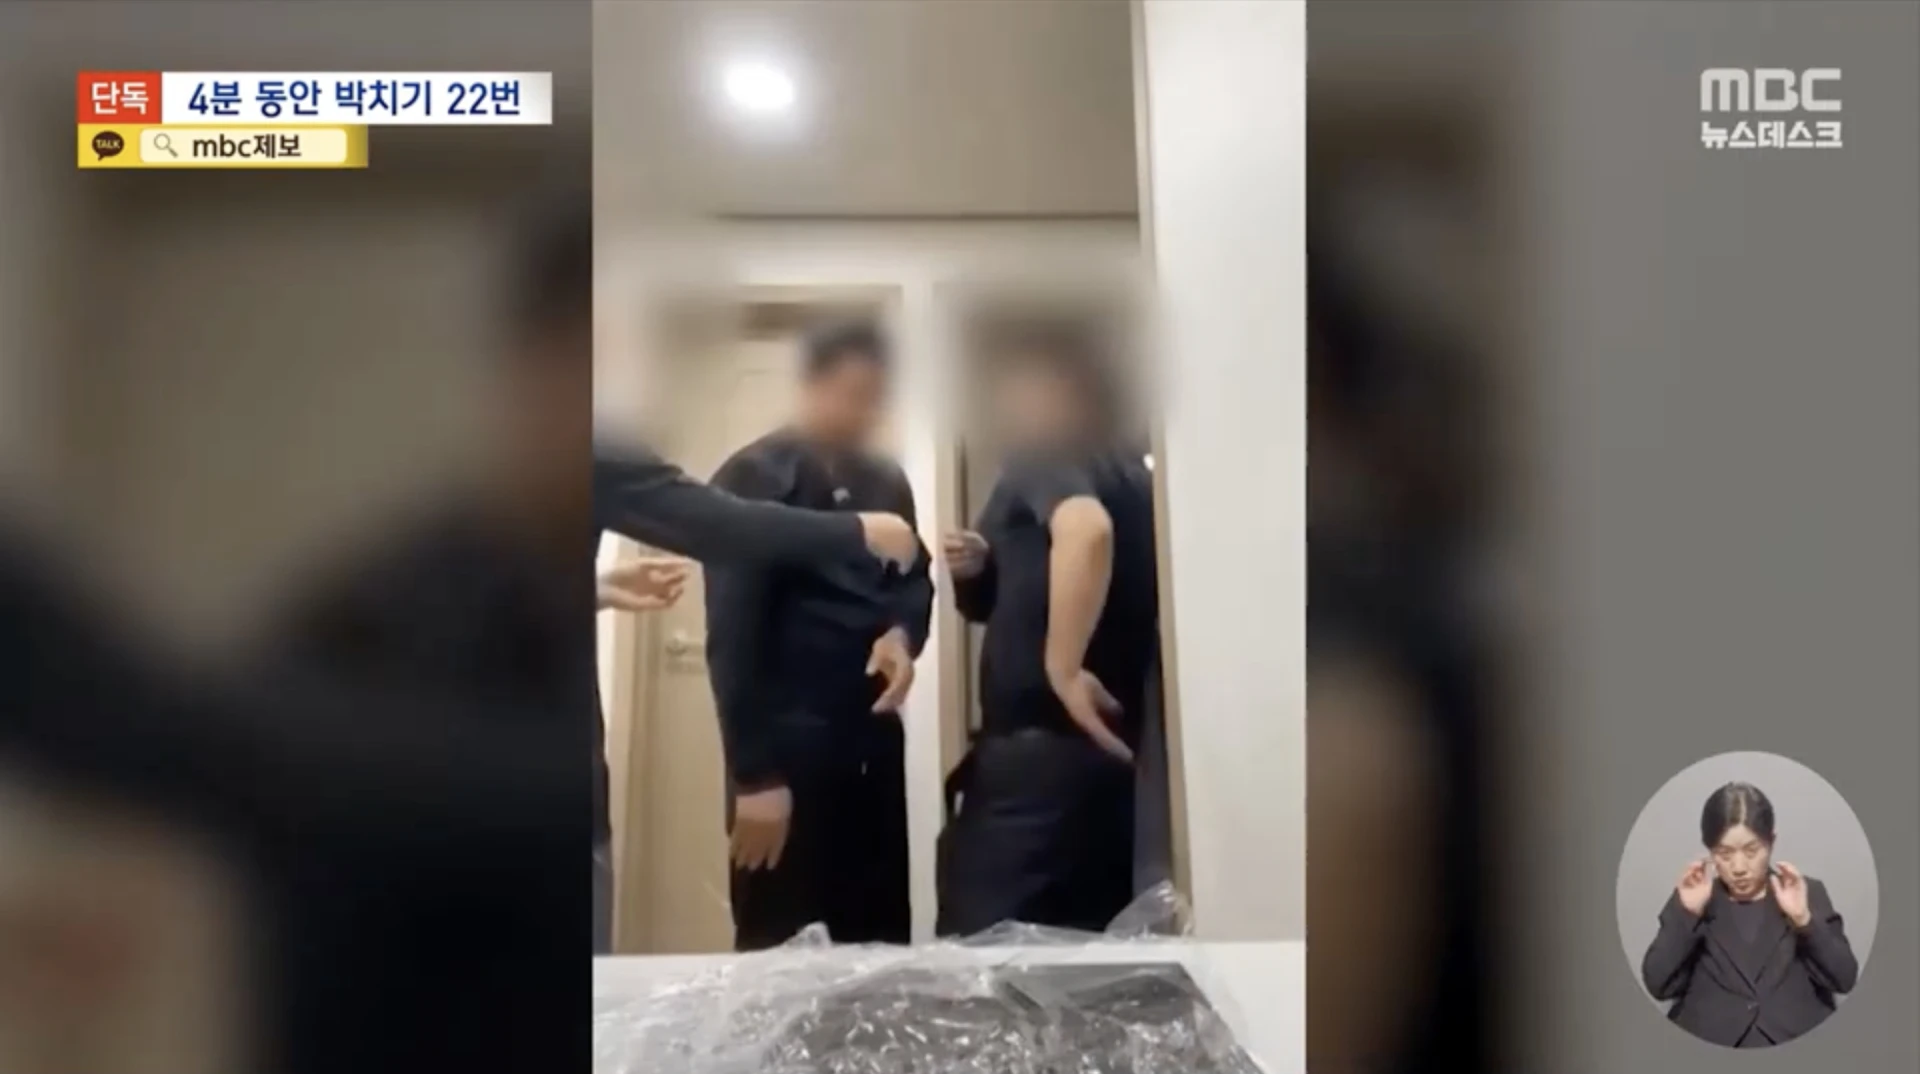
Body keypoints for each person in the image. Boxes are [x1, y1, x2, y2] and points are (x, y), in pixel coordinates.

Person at [703, 320, 934, 950]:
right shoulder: (753, 476)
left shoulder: (885, 479)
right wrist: (754, 777)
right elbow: (732, 632)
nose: (863, 411)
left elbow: (914, 578)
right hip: (786, 751)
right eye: (852, 393)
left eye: (875, 397)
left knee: (877, 941)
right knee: (781, 944)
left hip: (871, 741)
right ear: (812, 385)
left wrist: (902, 635)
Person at [934, 323, 1159, 935]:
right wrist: (981, 569)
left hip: (1035, 761)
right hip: (1107, 753)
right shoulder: (1136, 473)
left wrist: (1062, 668)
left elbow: (1087, 531)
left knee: (982, 962)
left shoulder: (1047, 451)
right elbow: (1020, 594)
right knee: (1079, 958)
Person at [1640, 781, 1859, 1048]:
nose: (1739, 867)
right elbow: (1658, 984)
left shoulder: (1806, 893)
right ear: (1710, 851)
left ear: (1771, 842)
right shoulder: (1694, 898)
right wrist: (1688, 913)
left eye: (1751, 851)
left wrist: (1804, 920)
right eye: (1724, 853)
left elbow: (1844, 979)